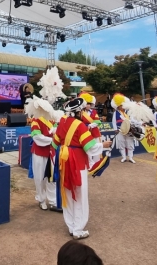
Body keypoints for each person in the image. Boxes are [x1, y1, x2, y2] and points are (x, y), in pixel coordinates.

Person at [52, 98, 111, 239]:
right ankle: (78, 229)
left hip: (64, 162)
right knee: (79, 194)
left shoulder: (62, 122)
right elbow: (90, 147)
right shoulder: (80, 126)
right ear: (78, 112)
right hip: (77, 162)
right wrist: (104, 145)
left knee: (67, 193)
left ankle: (71, 226)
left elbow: (54, 144)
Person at [25, 96, 60, 212]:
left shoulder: (52, 120)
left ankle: (53, 201)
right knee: (40, 178)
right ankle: (41, 199)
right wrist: (52, 140)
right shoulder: (35, 121)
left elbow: (57, 132)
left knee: (51, 178)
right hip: (39, 153)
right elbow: (37, 137)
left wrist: (56, 136)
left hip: (51, 153)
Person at [110, 94, 135, 163]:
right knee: (121, 143)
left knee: (130, 143)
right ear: (118, 106)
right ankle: (123, 157)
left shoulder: (128, 112)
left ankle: (130, 157)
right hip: (120, 130)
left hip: (129, 130)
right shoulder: (115, 113)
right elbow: (114, 122)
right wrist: (115, 129)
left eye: (122, 105)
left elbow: (133, 120)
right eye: (120, 105)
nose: (122, 106)